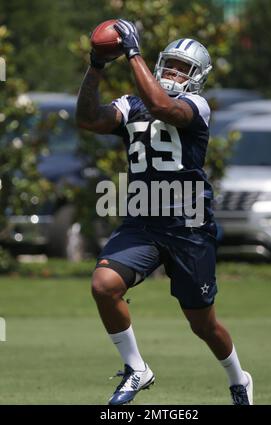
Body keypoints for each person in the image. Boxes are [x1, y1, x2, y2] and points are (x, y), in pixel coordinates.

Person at [76, 19, 253, 406]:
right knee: (104, 285)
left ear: (197, 78)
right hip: (143, 218)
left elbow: (161, 106)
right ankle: (136, 368)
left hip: (188, 224)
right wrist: (97, 64)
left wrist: (132, 50)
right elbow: (88, 118)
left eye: (183, 68)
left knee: (202, 324)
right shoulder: (131, 103)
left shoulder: (196, 106)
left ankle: (239, 378)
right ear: (158, 65)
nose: (174, 72)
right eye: (170, 64)